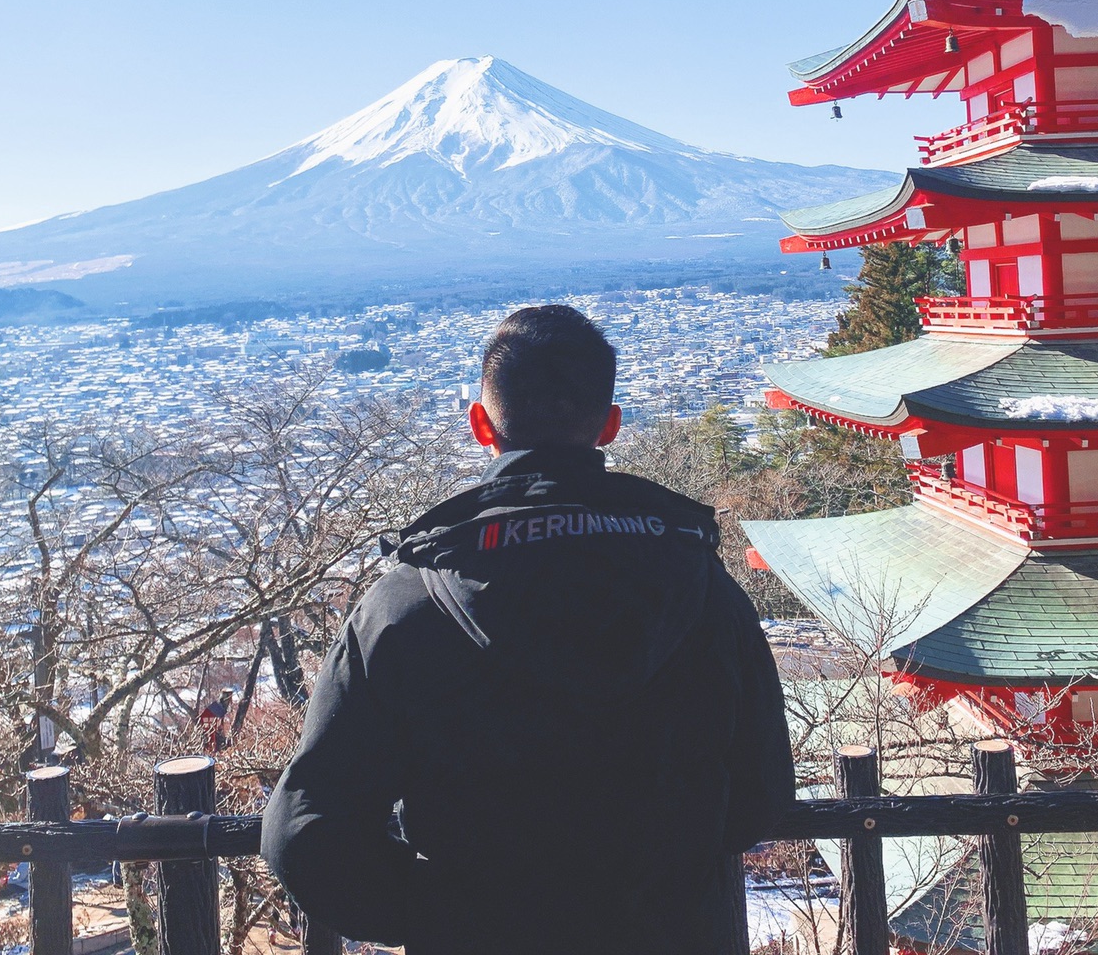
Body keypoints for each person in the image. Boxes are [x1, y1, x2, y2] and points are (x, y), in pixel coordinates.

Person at [262, 304, 795, 955]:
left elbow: (304, 829)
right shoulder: (698, 584)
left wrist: (440, 915)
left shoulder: (407, 602)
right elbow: (762, 790)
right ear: (611, 424)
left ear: (480, 424)